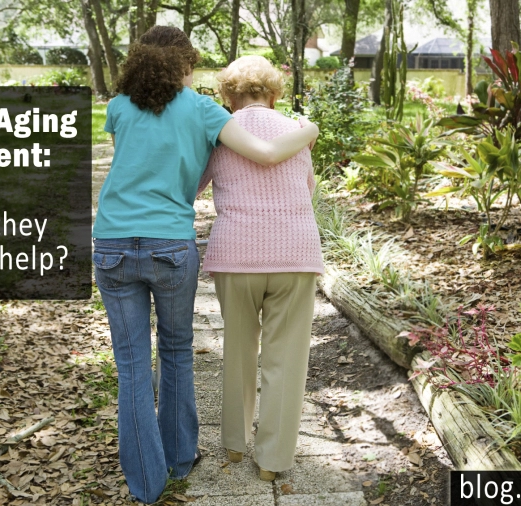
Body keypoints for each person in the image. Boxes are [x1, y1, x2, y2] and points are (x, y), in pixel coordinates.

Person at [92, 28, 318, 504]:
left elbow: (148, 167)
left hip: (117, 240)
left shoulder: (120, 107)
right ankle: (198, 459)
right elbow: (279, 164)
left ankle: (152, 482)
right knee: (179, 351)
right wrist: (310, 130)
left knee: (133, 365)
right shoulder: (206, 113)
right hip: (186, 245)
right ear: (185, 66)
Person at [197, 55, 324, 482]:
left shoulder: (219, 134)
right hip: (295, 254)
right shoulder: (297, 132)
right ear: (273, 94)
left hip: (237, 255)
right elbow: (307, 189)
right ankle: (272, 461)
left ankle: (234, 444)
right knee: (285, 359)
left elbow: (193, 185)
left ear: (228, 96)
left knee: (237, 348)